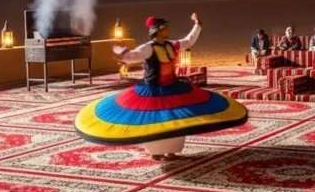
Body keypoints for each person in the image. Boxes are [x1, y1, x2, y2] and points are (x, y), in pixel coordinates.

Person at [87, 13, 247, 160]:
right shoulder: (148, 47)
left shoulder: (171, 45)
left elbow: (188, 41)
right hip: (153, 90)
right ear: (158, 30)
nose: (169, 30)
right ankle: (155, 151)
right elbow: (134, 56)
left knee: (174, 119)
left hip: (172, 87)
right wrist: (123, 54)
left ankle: (171, 150)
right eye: (166, 28)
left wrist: (198, 24)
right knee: (154, 119)